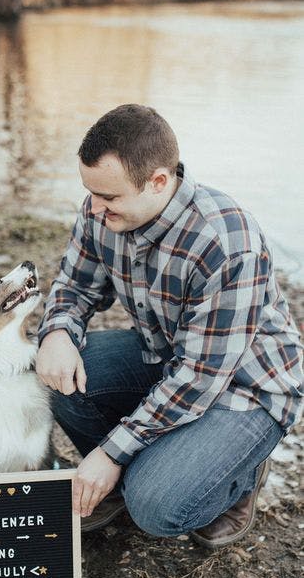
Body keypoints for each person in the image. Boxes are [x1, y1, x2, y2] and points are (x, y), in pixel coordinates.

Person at [36, 104, 303, 547]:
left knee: (157, 509)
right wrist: (58, 332)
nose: (93, 207)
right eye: (90, 193)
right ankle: (130, 476)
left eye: (109, 197)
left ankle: (241, 476)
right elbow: (75, 286)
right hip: (166, 359)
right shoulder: (101, 208)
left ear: (158, 181)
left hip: (243, 388)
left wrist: (111, 450)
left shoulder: (226, 244)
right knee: (52, 374)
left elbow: (199, 379)